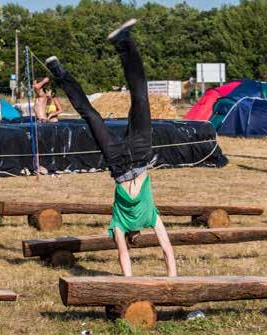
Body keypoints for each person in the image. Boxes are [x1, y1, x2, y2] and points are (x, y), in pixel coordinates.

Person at [45, 19, 176, 277]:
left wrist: (129, 281)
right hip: (137, 156)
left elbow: (127, 253)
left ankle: (60, 72)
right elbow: (165, 250)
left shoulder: (120, 225)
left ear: (131, 235)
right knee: (129, 102)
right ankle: (122, 41)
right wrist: (172, 281)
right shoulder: (150, 219)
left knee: (95, 115)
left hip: (121, 160)